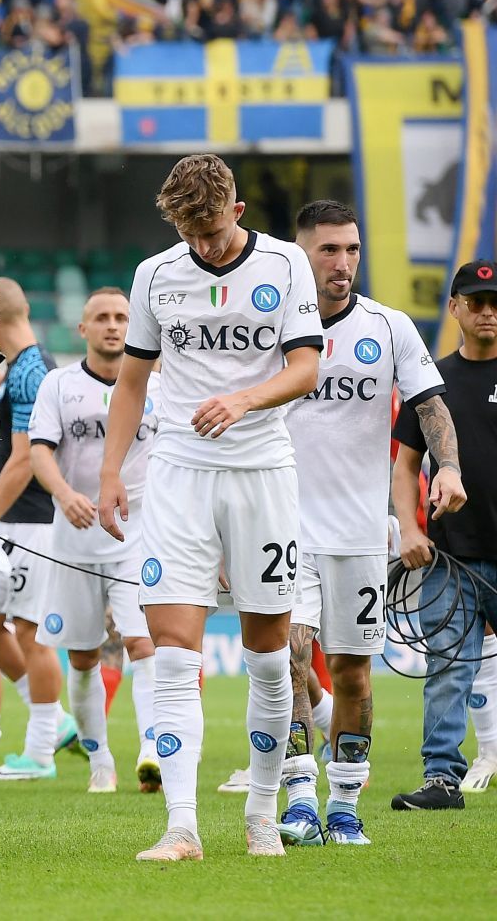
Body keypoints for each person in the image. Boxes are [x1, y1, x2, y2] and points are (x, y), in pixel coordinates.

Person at [100, 153, 322, 861]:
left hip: (261, 470)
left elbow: (308, 366)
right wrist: (112, 471)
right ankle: (182, 825)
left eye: (213, 231)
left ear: (239, 211)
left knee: (266, 656)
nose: (202, 246)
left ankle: (261, 815)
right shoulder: (156, 274)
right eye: (189, 233)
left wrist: (245, 399)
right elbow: (132, 382)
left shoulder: (286, 265)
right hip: (178, 474)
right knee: (171, 653)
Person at [276, 200, 454, 844]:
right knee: (289, 660)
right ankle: (297, 796)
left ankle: (345, 803)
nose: (343, 263)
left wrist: (450, 470)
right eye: (329, 250)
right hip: (283, 526)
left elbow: (430, 405)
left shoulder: (390, 326)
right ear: (301, 254)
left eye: (351, 249)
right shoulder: (270, 323)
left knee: (352, 672)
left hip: (357, 530)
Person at [26, 288, 164, 795]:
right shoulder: (58, 385)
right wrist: (64, 495)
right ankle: (100, 760)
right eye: (101, 318)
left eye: (122, 317)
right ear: (82, 330)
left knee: (142, 641)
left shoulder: (159, 387)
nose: (113, 325)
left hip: (138, 530)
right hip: (75, 535)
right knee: (82, 657)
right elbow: (39, 451)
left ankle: (151, 750)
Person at [0, 278, 79, 781]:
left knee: (31, 635)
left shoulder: (33, 373)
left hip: (32, 523)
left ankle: (42, 751)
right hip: (17, 522)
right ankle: (56, 719)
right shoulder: (21, 369)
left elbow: (26, 461)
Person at [389, 259, 496, 812]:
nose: (488, 313)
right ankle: (442, 781)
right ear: (455, 307)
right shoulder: (430, 383)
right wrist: (408, 527)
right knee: (448, 669)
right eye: (476, 303)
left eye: (496, 304)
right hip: (451, 556)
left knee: (451, 669)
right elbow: (406, 466)